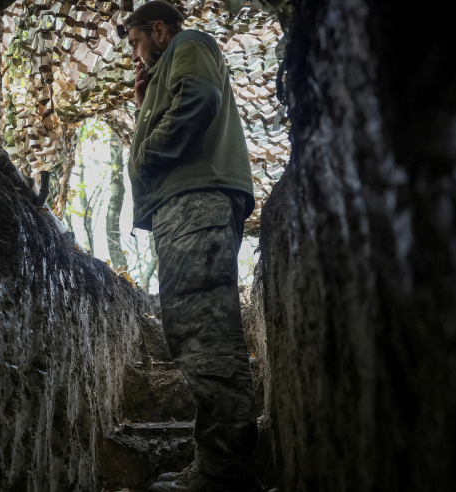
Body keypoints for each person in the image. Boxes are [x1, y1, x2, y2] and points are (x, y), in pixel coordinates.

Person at [123, 2, 259, 491]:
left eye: (137, 42)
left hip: (195, 200)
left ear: (159, 31)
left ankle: (226, 472)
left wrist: (147, 153)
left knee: (203, 331)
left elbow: (199, 96)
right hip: (188, 204)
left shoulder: (188, 43)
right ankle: (221, 463)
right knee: (193, 327)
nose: (135, 55)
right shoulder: (168, 66)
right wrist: (147, 104)